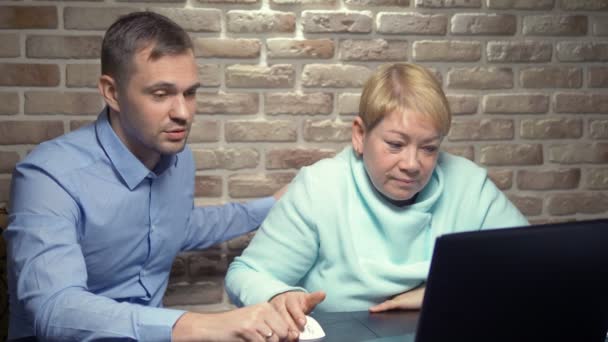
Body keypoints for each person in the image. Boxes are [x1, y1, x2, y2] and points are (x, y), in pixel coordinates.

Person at [5, 11, 299, 342]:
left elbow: (177, 225)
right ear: (112, 93)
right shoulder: (48, 175)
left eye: (190, 93)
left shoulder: (178, 157)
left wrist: (272, 205)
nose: (183, 113)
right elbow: (55, 309)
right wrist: (200, 325)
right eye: (161, 94)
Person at [225, 62, 529, 334]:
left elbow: (530, 266)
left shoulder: (467, 184)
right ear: (359, 135)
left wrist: (440, 292)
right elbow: (247, 273)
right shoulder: (321, 187)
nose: (412, 164)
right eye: (396, 145)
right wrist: (278, 296)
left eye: (429, 148)